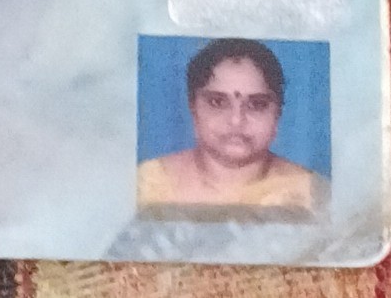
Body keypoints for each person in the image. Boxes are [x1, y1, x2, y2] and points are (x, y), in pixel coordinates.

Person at [137, 38, 328, 211]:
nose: (236, 120)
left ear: (278, 113)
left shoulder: (312, 193)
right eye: (217, 102)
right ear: (193, 108)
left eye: (257, 104)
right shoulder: (148, 185)